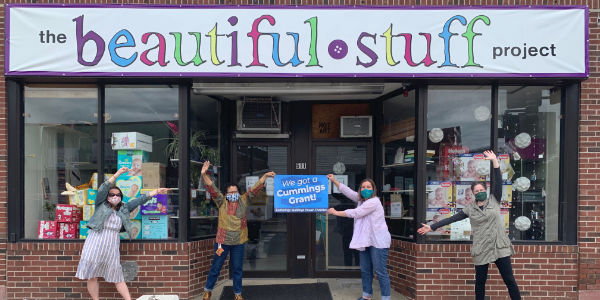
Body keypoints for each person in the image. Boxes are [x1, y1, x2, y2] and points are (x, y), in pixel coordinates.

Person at [418, 150, 521, 300]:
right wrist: (432, 226)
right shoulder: (469, 209)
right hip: (481, 247)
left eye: (481, 190)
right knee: (480, 282)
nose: (479, 192)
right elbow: (452, 218)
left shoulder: (494, 200)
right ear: (473, 193)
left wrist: (495, 162)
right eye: (476, 191)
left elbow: (498, 182)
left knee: (509, 280)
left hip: (500, 245)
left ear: (486, 191)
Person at [75, 166, 169, 300]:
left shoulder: (124, 208)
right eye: (112, 194)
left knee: (117, 275)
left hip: (112, 243)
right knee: (92, 274)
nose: (114, 197)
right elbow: (103, 187)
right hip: (95, 240)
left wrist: (157, 191)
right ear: (107, 196)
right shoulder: (100, 204)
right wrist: (118, 173)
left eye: (117, 195)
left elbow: (139, 200)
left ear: (121, 197)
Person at [201, 161, 275, 300]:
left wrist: (264, 176)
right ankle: (208, 290)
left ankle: (238, 293)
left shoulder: (243, 200)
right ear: (226, 193)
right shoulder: (221, 201)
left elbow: (254, 189)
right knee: (216, 267)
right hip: (222, 242)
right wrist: (204, 174)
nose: (234, 194)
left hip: (239, 242)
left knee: (237, 269)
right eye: (231, 192)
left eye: (235, 191)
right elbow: (212, 188)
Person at [326, 175, 392, 300]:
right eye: (363, 187)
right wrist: (334, 180)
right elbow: (348, 192)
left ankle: (386, 297)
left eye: (368, 187)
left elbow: (356, 213)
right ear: (360, 190)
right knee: (365, 270)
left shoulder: (374, 202)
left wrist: (335, 212)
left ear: (373, 189)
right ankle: (367, 295)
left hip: (378, 242)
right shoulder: (361, 200)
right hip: (365, 241)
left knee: (380, 271)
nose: (365, 189)